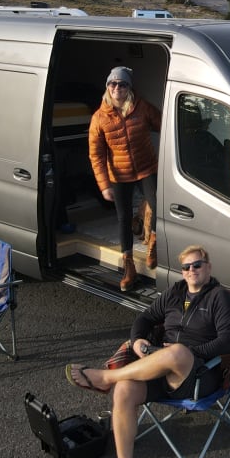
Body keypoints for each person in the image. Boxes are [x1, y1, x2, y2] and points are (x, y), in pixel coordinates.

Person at [66, 246, 230, 458]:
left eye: (197, 265)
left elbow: (228, 340)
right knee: (124, 390)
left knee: (177, 352)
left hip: (196, 376)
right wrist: (137, 342)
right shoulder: (174, 293)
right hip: (159, 369)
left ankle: (104, 377)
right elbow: (144, 318)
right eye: (186, 267)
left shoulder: (219, 297)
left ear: (209, 267)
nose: (191, 271)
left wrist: (189, 352)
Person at [88, 66, 162, 291]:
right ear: (107, 88)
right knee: (124, 218)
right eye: (113, 84)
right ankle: (128, 266)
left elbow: (164, 125)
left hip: (147, 168)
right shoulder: (99, 118)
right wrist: (104, 186)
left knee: (158, 206)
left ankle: (153, 245)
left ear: (129, 88)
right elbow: (96, 154)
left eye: (122, 84)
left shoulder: (142, 107)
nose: (117, 88)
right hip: (119, 174)